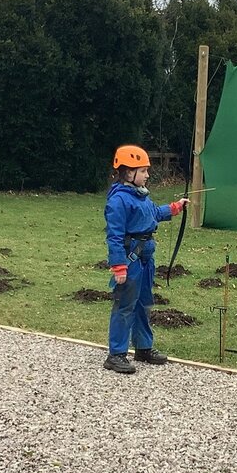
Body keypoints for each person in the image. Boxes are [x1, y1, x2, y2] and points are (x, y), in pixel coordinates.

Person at [103, 145, 188, 373]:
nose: (147, 175)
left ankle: (143, 347)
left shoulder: (141, 196)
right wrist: (119, 266)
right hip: (130, 260)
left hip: (146, 259)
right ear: (128, 173)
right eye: (143, 171)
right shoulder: (119, 201)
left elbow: (155, 214)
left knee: (143, 302)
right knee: (125, 304)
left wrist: (175, 207)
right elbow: (114, 236)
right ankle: (116, 354)